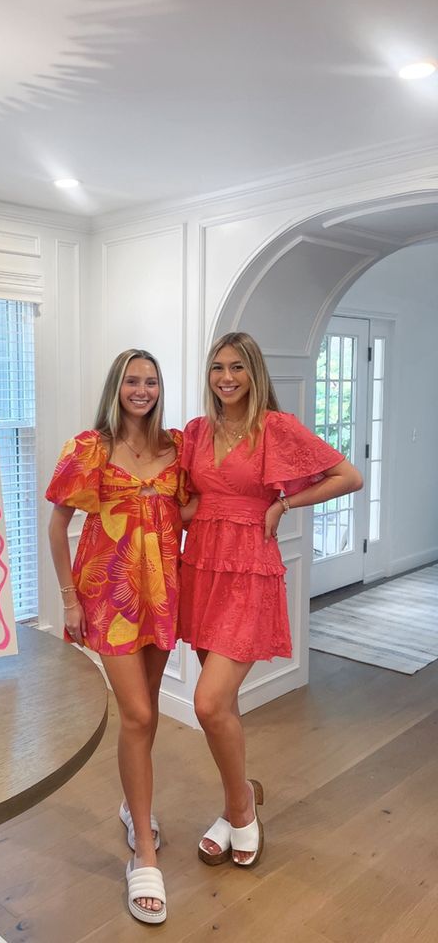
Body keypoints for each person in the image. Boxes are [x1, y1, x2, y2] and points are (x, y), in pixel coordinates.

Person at [179, 332, 363, 868]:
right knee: (224, 707)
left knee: (208, 703)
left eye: (237, 367)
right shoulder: (195, 431)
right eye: (217, 368)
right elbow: (189, 505)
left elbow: (347, 475)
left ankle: (240, 808)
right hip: (202, 568)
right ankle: (239, 798)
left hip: (248, 572)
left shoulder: (274, 429)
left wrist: (286, 503)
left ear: (254, 373)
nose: (226, 378)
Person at [46, 349, 187, 924]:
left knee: (146, 712)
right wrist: (68, 598)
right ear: (116, 386)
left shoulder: (177, 447)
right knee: (137, 716)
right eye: (132, 380)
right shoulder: (91, 448)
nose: (142, 390)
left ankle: (136, 807)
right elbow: (58, 524)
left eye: (151, 381)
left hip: (163, 595)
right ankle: (144, 854)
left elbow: (200, 504)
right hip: (108, 598)